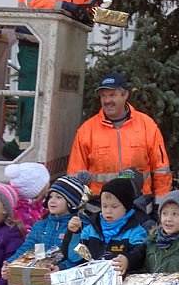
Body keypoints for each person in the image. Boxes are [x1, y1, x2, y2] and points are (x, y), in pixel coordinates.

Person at [15, 0, 95, 150]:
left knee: (61, 99)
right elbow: (35, 0)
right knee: (32, 95)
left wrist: (94, 8)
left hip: (65, 45)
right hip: (34, 42)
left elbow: (83, 8)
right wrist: (68, 7)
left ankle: (45, 148)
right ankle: (22, 151)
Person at [67, 72, 172, 200]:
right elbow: (74, 175)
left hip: (139, 203)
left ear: (125, 95)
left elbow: (161, 169)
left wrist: (161, 202)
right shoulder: (86, 130)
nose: (107, 101)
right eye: (103, 96)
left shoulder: (147, 125)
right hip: (101, 205)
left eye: (112, 95)